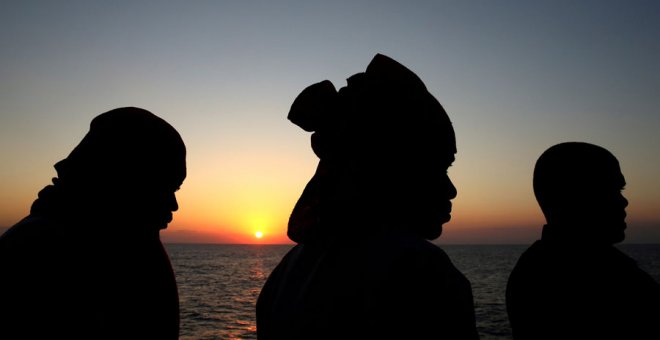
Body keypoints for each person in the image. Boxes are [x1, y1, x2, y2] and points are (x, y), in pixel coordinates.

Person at [256, 54, 479, 339]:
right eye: (437, 167)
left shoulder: (284, 276)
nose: (451, 189)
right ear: (389, 167)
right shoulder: (421, 273)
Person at [0, 107, 186, 339]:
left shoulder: (120, 245)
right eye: (164, 186)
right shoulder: (37, 251)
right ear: (121, 178)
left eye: (175, 189)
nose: (173, 204)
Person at [506, 142, 660, 339]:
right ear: (575, 195)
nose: (624, 201)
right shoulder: (601, 278)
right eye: (611, 189)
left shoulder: (536, 268)